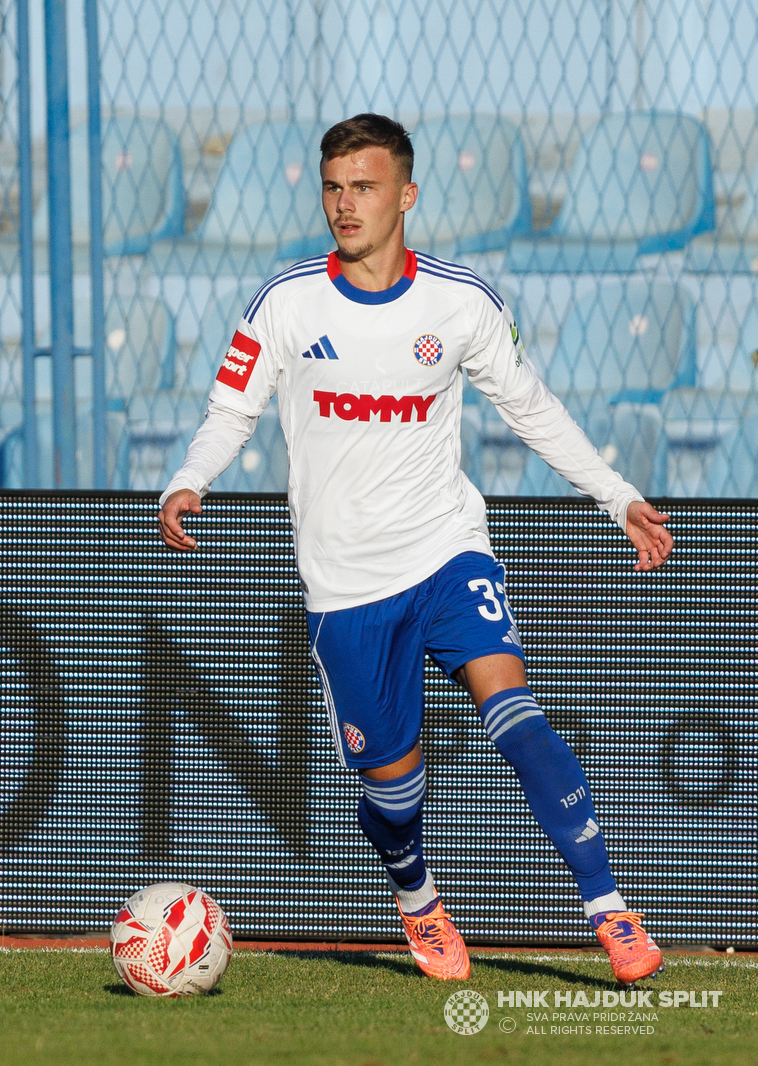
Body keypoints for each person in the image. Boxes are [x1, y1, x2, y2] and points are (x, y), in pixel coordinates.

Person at [158, 113, 672, 984]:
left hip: (446, 551)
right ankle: (418, 898)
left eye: (363, 186)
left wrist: (616, 496)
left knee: (515, 714)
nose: (344, 204)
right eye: (332, 186)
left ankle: (611, 913)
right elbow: (232, 410)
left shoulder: (460, 302)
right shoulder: (286, 303)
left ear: (407, 195)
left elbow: (531, 406)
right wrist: (189, 478)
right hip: (346, 586)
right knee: (392, 792)